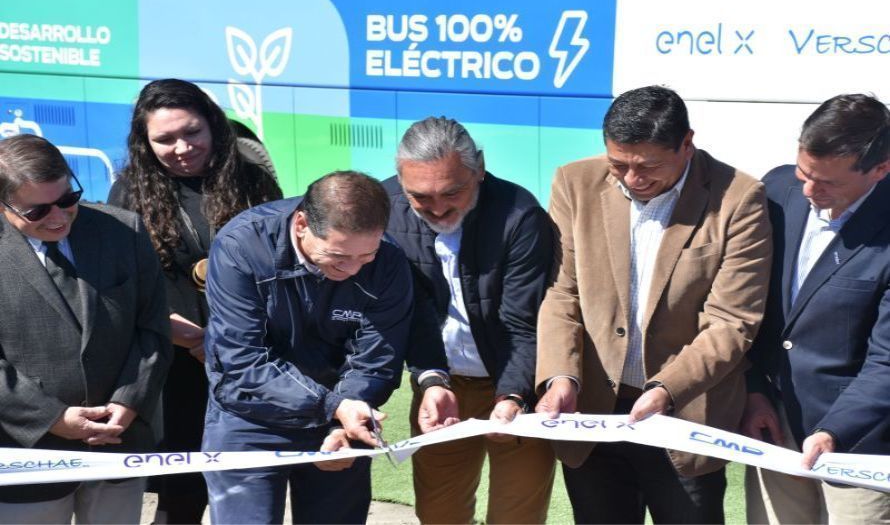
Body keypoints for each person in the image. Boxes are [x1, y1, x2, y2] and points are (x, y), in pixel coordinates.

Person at [535, 85, 772, 523]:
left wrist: (664, 389)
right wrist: (560, 376)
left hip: (685, 419)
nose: (631, 178)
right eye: (618, 164)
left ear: (687, 143)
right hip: (593, 416)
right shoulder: (574, 182)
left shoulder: (739, 198)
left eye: (648, 167)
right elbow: (561, 293)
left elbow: (731, 322)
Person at [107, 78, 282, 523]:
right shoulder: (129, 193)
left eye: (192, 132)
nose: (182, 147)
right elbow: (126, 291)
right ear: (144, 143)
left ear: (214, 127)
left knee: (247, 480)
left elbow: (277, 272)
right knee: (181, 487)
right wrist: (194, 340)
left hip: (248, 357)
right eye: (164, 139)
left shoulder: (254, 183)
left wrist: (232, 343)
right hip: (175, 363)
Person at [201, 170, 413, 524]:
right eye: (338, 256)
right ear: (301, 224)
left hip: (340, 419)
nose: (352, 269)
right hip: (249, 416)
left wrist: (341, 422)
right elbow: (244, 358)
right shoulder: (241, 246)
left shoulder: (388, 260)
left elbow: (377, 358)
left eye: (365, 257)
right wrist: (332, 406)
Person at [384, 116, 556, 524]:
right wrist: (431, 379)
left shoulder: (520, 215)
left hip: (517, 386)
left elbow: (523, 322)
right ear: (400, 179)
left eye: (453, 191)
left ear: (479, 168)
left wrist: (512, 395)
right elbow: (407, 315)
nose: (438, 208)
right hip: (443, 389)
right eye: (420, 197)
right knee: (439, 512)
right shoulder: (385, 208)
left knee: (517, 515)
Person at [0, 134, 171, 523]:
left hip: (119, 447)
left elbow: (152, 327)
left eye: (67, 199)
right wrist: (53, 419)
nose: (58, 217)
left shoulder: (123, 231)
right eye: (37, 212)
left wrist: (130, 401)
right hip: (28, 460)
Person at [742, 94, 890, 524]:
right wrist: (754, 390)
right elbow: (750, 310)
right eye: (804, 172)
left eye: (827, 182)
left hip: (863, 442)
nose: (809, 190)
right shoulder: (776, 190)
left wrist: (833, 429)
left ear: (881, 169)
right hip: (772, 424)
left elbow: (886, 361)